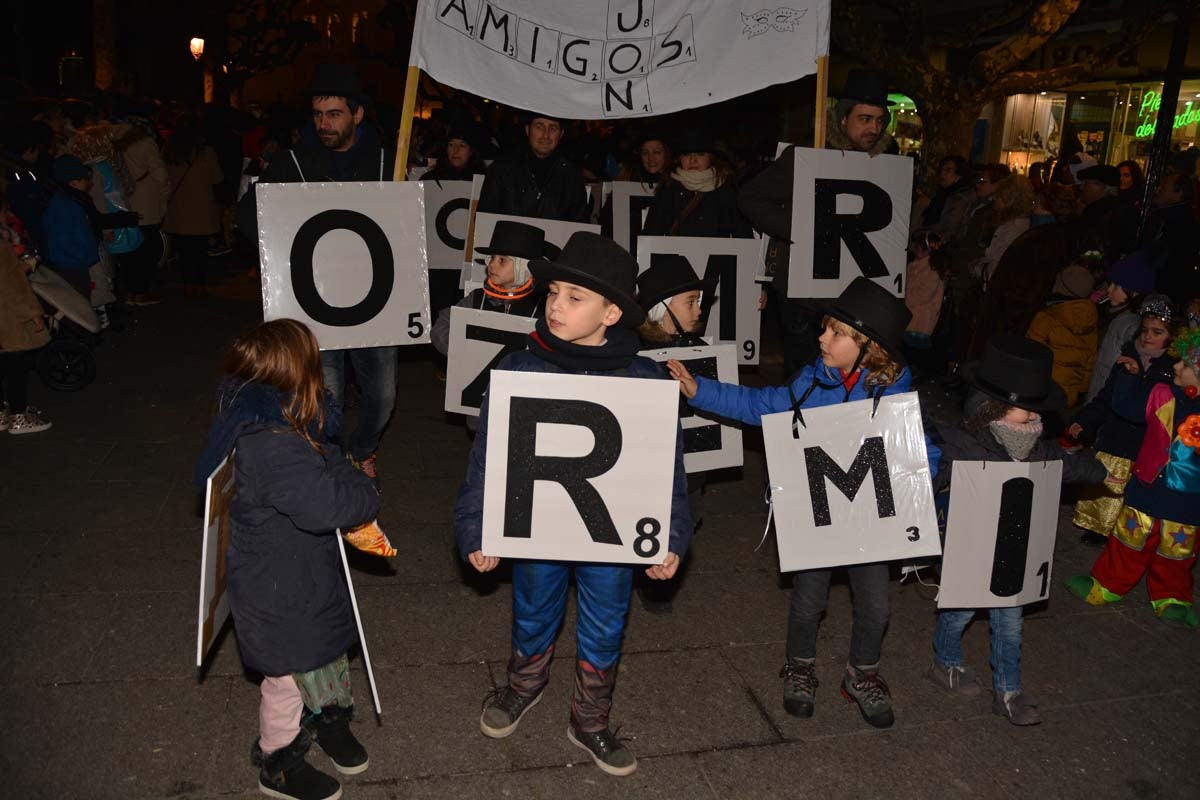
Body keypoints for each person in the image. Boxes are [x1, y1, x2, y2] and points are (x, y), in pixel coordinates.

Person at [454, 232, 691, 777]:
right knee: (533, 606)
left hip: (610, 539)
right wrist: (477, 529)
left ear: (612, 312)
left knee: (606, 621)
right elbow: (488, 460)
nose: (555, 305)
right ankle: (523, 685)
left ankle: (589, 717)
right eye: (554, 292)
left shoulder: (646, 379)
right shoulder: (519, 368)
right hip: (536, 527)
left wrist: (672, 537)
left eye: (574, 297)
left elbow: (667, 472)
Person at [666, 277, 939, 729]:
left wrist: (928, 482)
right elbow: (761, 405)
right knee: (808, 600)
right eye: (824, 329)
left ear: (868, 346)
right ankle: (800, 667)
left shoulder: (894, 395)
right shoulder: (812, 382)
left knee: (877, 607)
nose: (821, 339)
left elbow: (918, 451)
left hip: (870, 521)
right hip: (818, 513)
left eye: (835, 333)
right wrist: (701, 391)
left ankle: (862, 674)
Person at [193, 319, 380, 800]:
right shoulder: (273, 445)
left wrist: (342, 468)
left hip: (301, 571)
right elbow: (330, 506)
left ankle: (329, 720)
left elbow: (327, 457)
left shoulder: (283, 419)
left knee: (325, 649)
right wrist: (365, 490)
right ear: (300, 373)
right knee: (285, 675)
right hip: (278, 585)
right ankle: (278, 758)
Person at [929, 337, 1107, 726]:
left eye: (1035, 409)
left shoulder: (1040, 449)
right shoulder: (962, 444)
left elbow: (1072, 467)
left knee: (1010, 623)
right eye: (1023, 409)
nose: (1033, 417)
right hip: (972, 550)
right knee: (959, 614)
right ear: (992, 408)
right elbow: (927, 476)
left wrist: (1105, 473)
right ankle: (946, 663)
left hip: (1014, 552)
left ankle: (1008, 691)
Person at [237, 65, 399, 490]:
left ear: (357, 115)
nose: (324, 123)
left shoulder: (388, 162)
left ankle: (361, 449)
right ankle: (332, 464)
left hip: (376, 304)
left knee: (382, 397)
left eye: (334, 114)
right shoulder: (291, 162)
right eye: (318, 114)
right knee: (327, 398)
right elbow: (247, 217)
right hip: (317, 302)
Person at [738, 69, 898, 374]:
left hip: (853, 299)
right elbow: (751, 199)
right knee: (803, 378)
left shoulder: (885, 167)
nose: (874, 128)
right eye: (865, 119)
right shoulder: (806, 158)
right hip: (804, 299)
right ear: (842, 120)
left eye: (880, 120)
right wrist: (804, 227)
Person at [1065, 324, 1200, 628]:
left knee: (1177, 555)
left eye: (1186, 364)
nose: (1176, 365)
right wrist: (1129, 375)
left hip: (1188, 506)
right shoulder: (1162, 393)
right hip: (1146, 492)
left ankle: (1173, 597)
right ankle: (1107, 585)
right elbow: (1125, 406)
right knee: (1126, 543)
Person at [1069, 296, 1176, 546]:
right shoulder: (1128, 354)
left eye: (1157, 332)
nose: (1148, 336)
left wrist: (1138, 377)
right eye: (1145, 330)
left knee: (1129, 494)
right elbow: (1107, 396)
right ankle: (1096, 528)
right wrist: (1085, 420)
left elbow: (1148, 407)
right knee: (1106, 486)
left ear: (1170, 337)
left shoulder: (1171, 369)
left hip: (1142, 443)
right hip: (1114, 437)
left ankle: (1123, 532)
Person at [429, 220, 556, 355]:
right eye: (492, 258)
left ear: (524, 267)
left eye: (502, 260)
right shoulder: (476, 299)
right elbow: (441, 327)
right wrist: (463, 353)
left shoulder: (543, 306)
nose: (492, 265)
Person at [476, 111, 589, 222]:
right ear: (527, 129)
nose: (546, 135)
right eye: (539, 127)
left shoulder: (572, 177)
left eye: (553, 128)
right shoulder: (501, 170)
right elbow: (484, 221)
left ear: (561, 134)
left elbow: (580, 228)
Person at [642, 128, 747, 239]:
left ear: (710, 158)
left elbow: (741, 232)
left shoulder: (726, 187)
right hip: (675, 255)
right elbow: (652, 233)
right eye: (687, 154)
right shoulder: (668, 187)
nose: (693, 160)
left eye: (700, 154)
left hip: (719, 255)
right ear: (680, 158)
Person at [110, 117, 169, 304]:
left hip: (123, 198)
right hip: (146, 199)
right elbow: (159, 173)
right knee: (148, 247)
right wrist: (166, 189)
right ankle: (141, 291)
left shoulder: (112, 142)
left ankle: (129, 289)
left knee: (129, 248)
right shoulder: (146, 143)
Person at [162, 118, 223, 297]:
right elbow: (217, 178)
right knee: (200, 250)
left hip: (178, 208)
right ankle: (199, 284)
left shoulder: (169, 152)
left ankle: (188, 284)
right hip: (202, 208)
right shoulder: (206, 153)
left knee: (184, 250)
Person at [1085, 251, 1156, 402]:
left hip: (1105, 403)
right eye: (1110, 284)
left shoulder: (1132, 324)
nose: (1109, 290)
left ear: (1134, 293)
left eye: (1116, 286)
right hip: (1095, 397)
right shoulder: (1111, 314)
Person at [1025, 263, 1098, 408]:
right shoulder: (1091, 322)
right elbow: (1090, 362)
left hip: (1041, 391)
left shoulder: (1047, 317)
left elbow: (1029, 353)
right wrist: (1081, 392)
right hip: (1067, 396)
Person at [0, 239, 52, 434]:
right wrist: (33, 313)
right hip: (8, 317)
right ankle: (19, 416)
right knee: (17, 366)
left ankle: (0, 414)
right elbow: (12, 283)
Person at [923, 155, 973, 241]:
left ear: (959, 174)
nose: (943, 173)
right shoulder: (943, 193)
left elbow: (950, 229)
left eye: (948, 170)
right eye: (942, 169)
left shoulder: (959, 198)